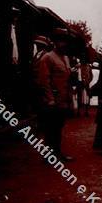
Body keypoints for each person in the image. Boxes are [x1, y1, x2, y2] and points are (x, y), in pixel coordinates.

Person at [37, 28, 73, 161]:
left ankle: (57, 154)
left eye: (65, 42)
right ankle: (49, 156)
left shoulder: (65, 58)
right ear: (54, 42)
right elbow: (44, 81)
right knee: (50, 129)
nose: (63, 44)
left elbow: (67, 79)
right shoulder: (47, 58)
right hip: (52, 101)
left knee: (58, 128)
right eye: (60, 41)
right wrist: (50, 99)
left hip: (62, 100)